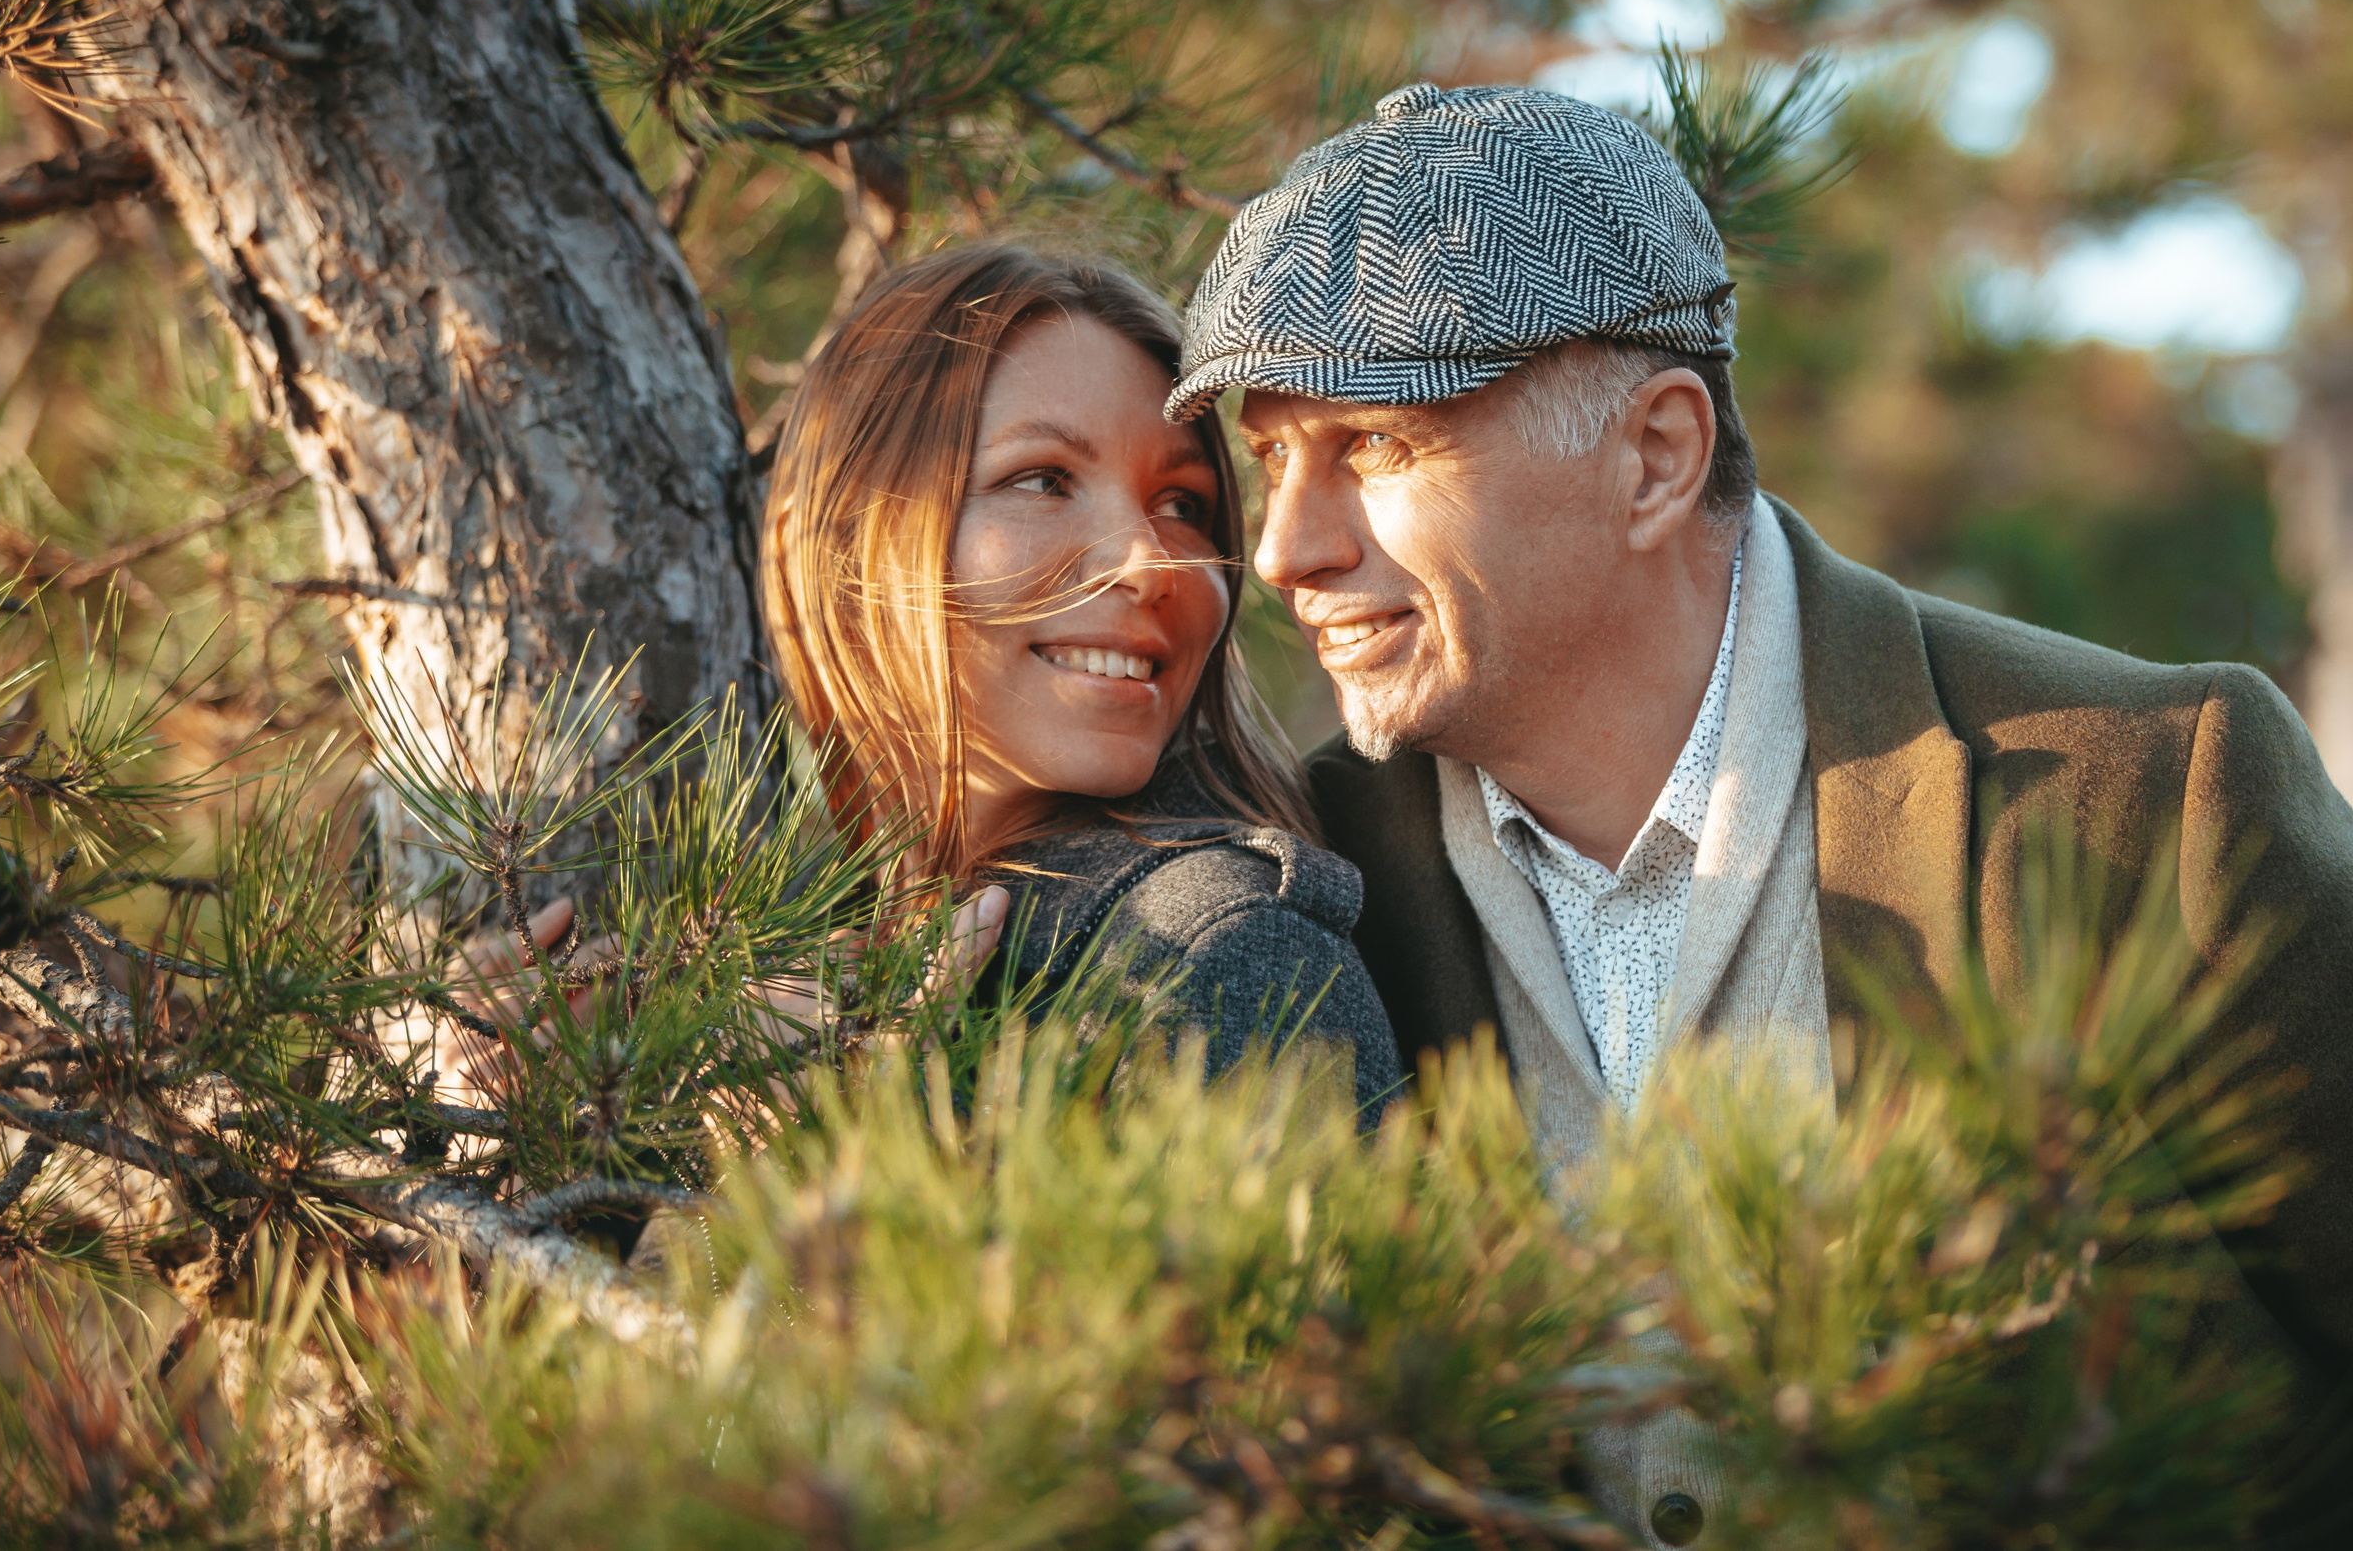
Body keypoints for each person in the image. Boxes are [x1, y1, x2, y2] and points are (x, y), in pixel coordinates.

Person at [1162, 81, 2353, 1547]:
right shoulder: (1301, 884)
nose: (1287, 549)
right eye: (1272, 458)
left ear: (1657, 455)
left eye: (1378, 446)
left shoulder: (2158, 797)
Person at [759, 240, 1402, 1118]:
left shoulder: (1215, 956)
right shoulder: (768, 957)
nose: (1147, 562)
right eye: (1044, 480)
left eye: (1182, 504)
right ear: (833, 543)